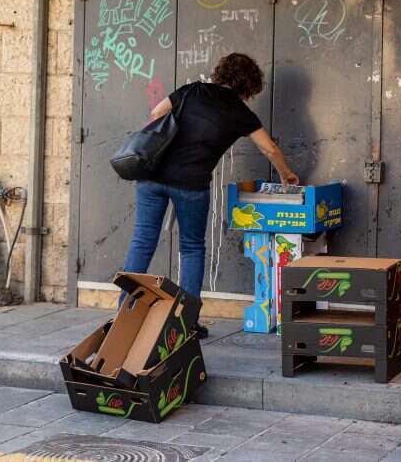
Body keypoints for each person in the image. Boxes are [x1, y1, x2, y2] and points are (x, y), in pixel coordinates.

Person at [121, 52, 299, 338]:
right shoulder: (240, 112)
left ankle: (124, 314)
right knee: (191, 247)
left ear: (221, 73)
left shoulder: (192, 90)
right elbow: (269, 149)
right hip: (190, 185)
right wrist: (285, 173)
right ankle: (186, 322)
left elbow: (156, 114)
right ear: (249, 85)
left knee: (142, 242)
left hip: (152, 176)